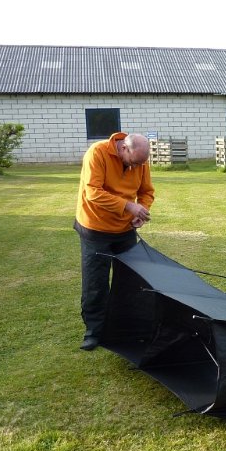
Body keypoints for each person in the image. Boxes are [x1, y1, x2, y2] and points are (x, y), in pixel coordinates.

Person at [74, 132, 155, 351]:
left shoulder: (140, 161)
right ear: (124, 149)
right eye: (135, 162)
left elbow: (146, 191)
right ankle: (94, 331)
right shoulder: (97, 153)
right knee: (96, 283)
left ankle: (126, 327)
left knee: (130, 280)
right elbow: (93, 192)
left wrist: (142, 210)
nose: (138, 166)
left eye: (141, 163)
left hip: (124, 230)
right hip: (94, 228)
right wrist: (129, 206)